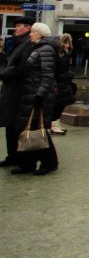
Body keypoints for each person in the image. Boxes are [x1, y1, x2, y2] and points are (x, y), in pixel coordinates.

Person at [14, 22, 60, 175]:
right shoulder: (38, 48)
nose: (30, 34)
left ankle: (48, 162)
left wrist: (40, 94)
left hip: (37, 94)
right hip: (31, 92)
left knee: (38, 129)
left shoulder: (45, 49)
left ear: (40, 34)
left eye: (33, 32)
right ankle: (28, 163)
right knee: (30, 128)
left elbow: (47, 75)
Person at [0, 15, 36, 168]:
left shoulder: (27, 44)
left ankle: (21, 159)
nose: (16, 28)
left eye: (19, 25)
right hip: (11, 90)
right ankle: (12, 156)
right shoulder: (18, 43)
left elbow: (23, 68)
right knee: (10, 125)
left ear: (27, 28)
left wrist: (5, 74)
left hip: (19, 91)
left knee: (17, 127)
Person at [50, 33, 75, 135]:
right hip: (59, 84)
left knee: (61, 104)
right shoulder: (57, 54)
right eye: (65, 43)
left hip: (64, 83)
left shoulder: (66, 54)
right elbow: (57, 70)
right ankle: (53, 125)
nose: (67, 45)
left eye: (68, 43)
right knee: (57, 105)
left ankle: (55, 123)